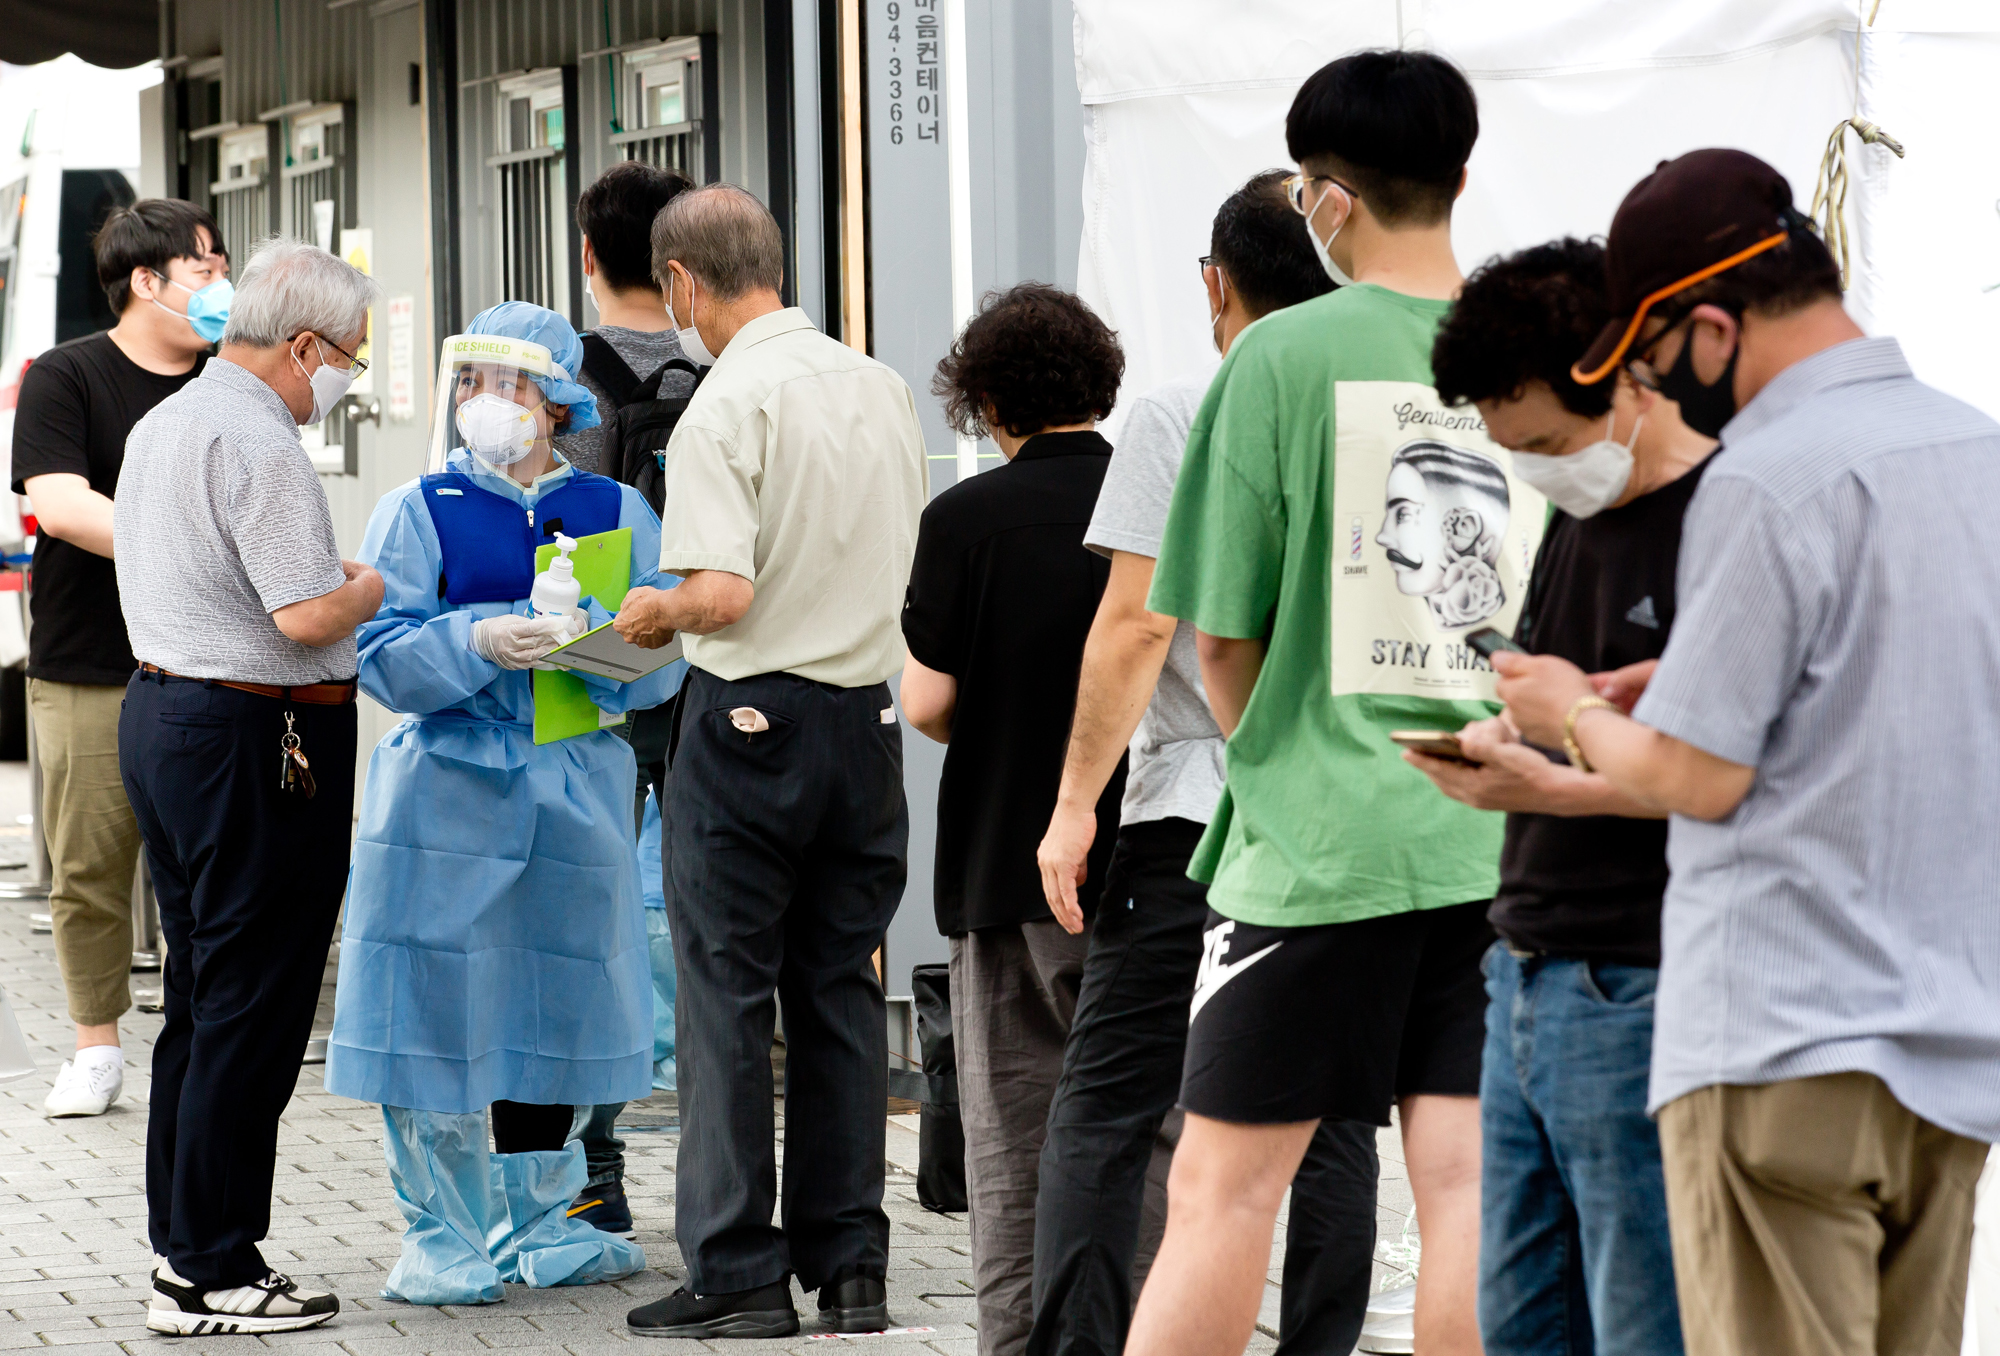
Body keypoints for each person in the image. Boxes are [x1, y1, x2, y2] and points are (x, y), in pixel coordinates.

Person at [1494, 148, 2000, 1356]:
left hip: (1776, 1045)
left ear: (1708, 325)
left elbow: (1690, 776)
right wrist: (1677, 681)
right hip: (1945, 1049)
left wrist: (1568, 707)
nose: (1657, 388)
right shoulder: (1970, 450)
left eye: (1654, 355)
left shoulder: (1764, 478)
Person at [1132, 52, 1529, 1356]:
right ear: (1461, 177)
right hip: (1502, 833)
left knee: (1221, 1190)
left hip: (1319, 841)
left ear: (1326, 198)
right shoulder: (1538, 356)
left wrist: (1284, 755)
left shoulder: (1282, 357)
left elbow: (1221, 632)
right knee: (1467, 1185)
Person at [1029, 170, 1381, 1356]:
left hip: (1193, 815)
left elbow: (1135, 625)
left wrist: (1074, 803)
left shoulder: (1185, 410)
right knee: (1331, 1118)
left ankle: (1078, 1346)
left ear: (1214, 285)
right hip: (1348, 813)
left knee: (1109, 1106)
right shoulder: (1389, 400)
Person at [614, 184, 928, 1338]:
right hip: (863, 718)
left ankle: (739, 1272)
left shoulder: (722, 404)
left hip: (749, 721)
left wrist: (646, 614)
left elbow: (722, 592)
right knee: (840, 990)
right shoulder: (877, 383)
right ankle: (851, 1268)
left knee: (727, 1001)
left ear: (686, 284)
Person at [325, 301, 681, 1305]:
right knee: (431, 1006)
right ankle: (441, 1230)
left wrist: (603, 641)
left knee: (560, 1001)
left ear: (557, 399)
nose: (491, 402)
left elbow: (661, 669)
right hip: (445, 787)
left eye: (515, 383)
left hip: (574, 785)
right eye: (476, 380)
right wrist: (476, 638)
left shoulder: (614, 510)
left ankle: (546, 1221)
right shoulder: (418, 506)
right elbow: (379, 653)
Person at [1413, 237, 1717, 1356]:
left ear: (1627, 377)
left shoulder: (1724, 520)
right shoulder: (1577, 515)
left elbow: (1727, 781)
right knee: (1524, 1324)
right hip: (1522, 972)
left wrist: (1555, 767)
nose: (1536, 469)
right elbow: (1566, 693)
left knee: (1646, 1323)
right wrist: (1507, 739)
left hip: (1638, 982)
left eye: (1542, 442)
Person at [114, 237, 385, 1335]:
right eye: (349, 358)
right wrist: (370, 583)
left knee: (200, 993)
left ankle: (184, 1239)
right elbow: (304, 613)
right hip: (252, 736)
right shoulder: (257, 438)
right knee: (252, 1004)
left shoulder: (169, 418)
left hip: (169, 718)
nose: (348, 378)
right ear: (305, 344)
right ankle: (216, 1263)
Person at [896, 282, 1126, 1356]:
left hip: (1000, 863)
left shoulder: (961, 521)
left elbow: (928, 702)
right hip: (1148, 860)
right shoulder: (1155, 498)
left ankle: (1019, 1342)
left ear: (984, 400)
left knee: (1013, 1146)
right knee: (1142, 1133)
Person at [13, 199, 227, 1119]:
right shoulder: (67, 377)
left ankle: (212, 1037)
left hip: (217, 661)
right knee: (92, 865)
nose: (222, 283)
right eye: (206, 267)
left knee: (214, 866)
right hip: (93, 661)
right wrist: (191, 544)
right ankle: (96, 1046)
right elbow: (60, 506)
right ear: (148, 280)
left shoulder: (230, 381)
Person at [557, 156, 702, 1242]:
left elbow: (545, 539)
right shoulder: (726, 369)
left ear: (592, 252)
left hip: (593, 689)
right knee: (699, 934)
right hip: (708, 680)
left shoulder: (571, 375)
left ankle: (592, 1171)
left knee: (584, 930)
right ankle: (716, 1177)